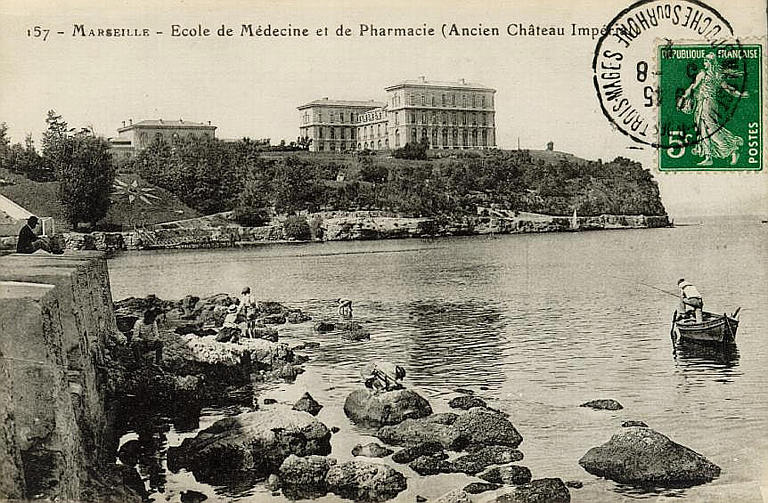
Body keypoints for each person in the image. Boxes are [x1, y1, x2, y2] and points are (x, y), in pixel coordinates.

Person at [677, 52, 748, 166]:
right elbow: (693, 86)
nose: (704, 63)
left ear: (711, 63)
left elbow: (728, 89)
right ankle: (708, 156)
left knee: (711, 129)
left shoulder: (709, 74)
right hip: (703, 103)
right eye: (704, 61)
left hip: (708, 103)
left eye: (706, 61)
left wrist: (740, 94)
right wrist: (685, 97)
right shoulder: (710, 74)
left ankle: (732, 148)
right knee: (703, 129)